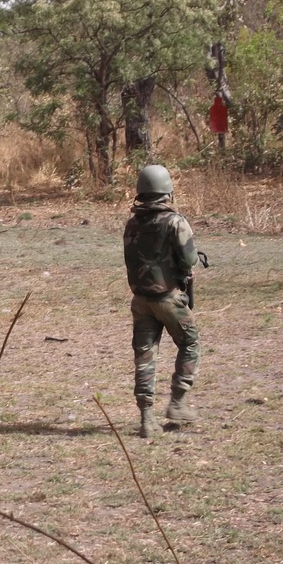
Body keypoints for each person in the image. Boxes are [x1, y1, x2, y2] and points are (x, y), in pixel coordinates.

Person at [123, 164, 201, 437]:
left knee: (144, 357)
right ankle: (178, 402)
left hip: (140, 300)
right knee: (189, 342)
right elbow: (190, 259)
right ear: (167, 190)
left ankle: (146, 418)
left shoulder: (133, 223)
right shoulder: (175, 221)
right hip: (169, 298)